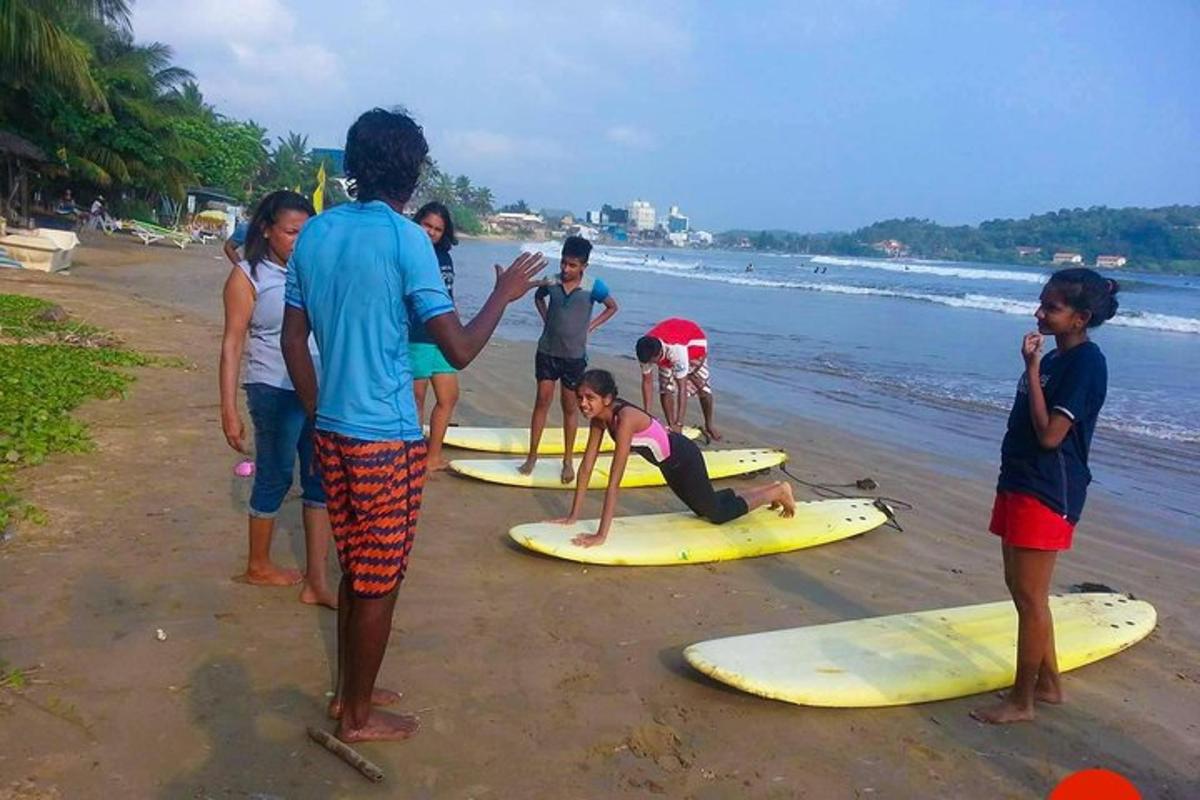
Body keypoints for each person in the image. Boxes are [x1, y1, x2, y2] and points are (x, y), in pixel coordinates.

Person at [281, 107, 547, 743]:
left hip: (333, 433)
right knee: (379, 581)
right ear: (412, 169)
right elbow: (455, 348)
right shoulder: (408, 241)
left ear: (352, 165)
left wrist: (319, 410)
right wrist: (502, 297)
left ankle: (352, 692)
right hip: (385, 439)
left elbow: (294, 340)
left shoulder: (315, 235)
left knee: (356, 569)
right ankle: (358, 717)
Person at [971, 268, 1119, 725]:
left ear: (1081, 318)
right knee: (1022, 591)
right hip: (1019, 479)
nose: (1039, 313)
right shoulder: (1055, 359)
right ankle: (1049, 685)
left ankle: (1022, 702)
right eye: (1040, 302)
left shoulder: (1085, 364)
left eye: (1051, 307)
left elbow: (1051, 434)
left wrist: (1032, 370)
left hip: (1049, 488)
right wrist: (1036, 368)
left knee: (1031, 597)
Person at [219, 190, 336, 608]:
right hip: (272, 388)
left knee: (320, 478)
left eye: (306, 234)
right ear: (267, 230)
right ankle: (258, 564)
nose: (297, 241)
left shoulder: (315, 273)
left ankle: (317, 580)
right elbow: (232, 344)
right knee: (274, 474)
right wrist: (229, 409)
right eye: (290, 232)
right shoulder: (247, 276)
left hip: (318, 390)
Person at [551, 369, 794, 547]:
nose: (583, 403)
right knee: (705, 508)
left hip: (684, 459)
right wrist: (573, 516)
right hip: (669, 466)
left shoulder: (625, 420)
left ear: (606, 399)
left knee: (717, 515)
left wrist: (601, 535)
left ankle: (777, 492)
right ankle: (770, 489)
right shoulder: (599, 419)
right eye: (580, 397)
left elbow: (614, 482)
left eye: (589, 398)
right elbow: (586, 468)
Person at [517, 236, 619, 483]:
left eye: (572, 265)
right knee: (542, 400)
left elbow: (612, 307)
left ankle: (567, 461)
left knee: (570, 407)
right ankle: (532, 457)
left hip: (573, 357)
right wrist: (546, 319)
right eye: (563, 263)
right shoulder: (551, 281)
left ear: (584, 266)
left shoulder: (594, 286)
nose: (565, 269)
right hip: (547, 352)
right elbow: (538, 297)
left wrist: (590, 326)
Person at [408, 202, 459, 471]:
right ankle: (413, 456)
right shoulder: (409, 254)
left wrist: (457, 329)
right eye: (427, 225)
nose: (431, 232)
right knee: (417, 398)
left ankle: (433, 456)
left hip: (443, 336)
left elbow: (449, 296)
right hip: (416, 334)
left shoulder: (444, 257)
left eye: (438, 229)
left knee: (449, 397)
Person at [636, 317, 721, 441]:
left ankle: (709, 424)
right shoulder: (644, 350)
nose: (650, 364)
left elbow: (682, 388)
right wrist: (646, 415)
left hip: (694, 345)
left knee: (702, 388)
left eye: (652, 362)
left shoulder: (676, 351)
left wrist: (680, 423)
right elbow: (647, 382)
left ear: (658, 355)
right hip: (668, 344)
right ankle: (671, 424)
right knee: (665, 387)